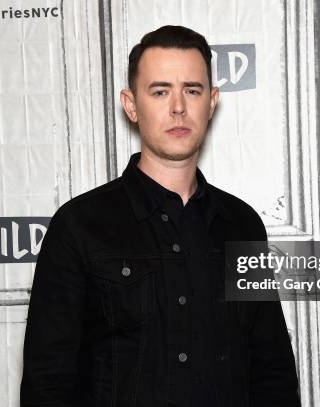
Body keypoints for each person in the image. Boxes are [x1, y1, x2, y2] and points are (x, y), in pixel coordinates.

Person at [20, 25, 300, 407]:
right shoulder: (79, 226)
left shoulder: (242, 223)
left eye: (192, 90)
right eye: (160, 91)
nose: (178, 107)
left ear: (212, 102)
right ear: (131, 105)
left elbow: (272, 370)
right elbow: (47, 383)